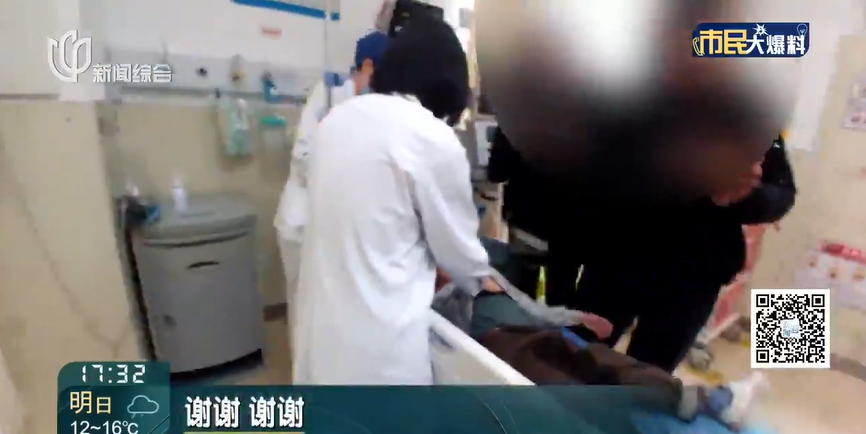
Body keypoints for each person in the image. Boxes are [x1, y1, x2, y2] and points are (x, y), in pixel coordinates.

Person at [291, 16, 503, 385]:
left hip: (319, 336)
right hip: (380, 354)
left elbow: (375, 219)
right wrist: (483, 279)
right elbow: (459, 252)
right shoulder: (432, 137)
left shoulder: (337, 119)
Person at [553, 135, 797, 373]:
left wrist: (747, 196)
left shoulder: (751, 121)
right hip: (619, 253)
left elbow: (783, 190)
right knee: (574, 358)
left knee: (648, 376)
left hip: (694, 274)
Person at [433, 269, 770, 432]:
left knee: (602, 361)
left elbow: (534, 308)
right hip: (496, 340)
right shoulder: (425, 289)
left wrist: (578, 317)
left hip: (539, 332)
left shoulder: (480, 269)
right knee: (565, 387)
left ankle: (712, 400)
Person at [274, 29, 390, 331]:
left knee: (328, 318)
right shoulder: (328, 94)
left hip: (334, 227)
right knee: (304, 313)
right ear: (367, 66)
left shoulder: (371, 110)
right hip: (302, 224)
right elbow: (303, 156)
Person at [486, 126, 553, 298]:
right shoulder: (582, 119)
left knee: (523, 287)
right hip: (571, 222)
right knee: (561, 291)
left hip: (527, 218)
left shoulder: (515, 120)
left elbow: (496, 173)